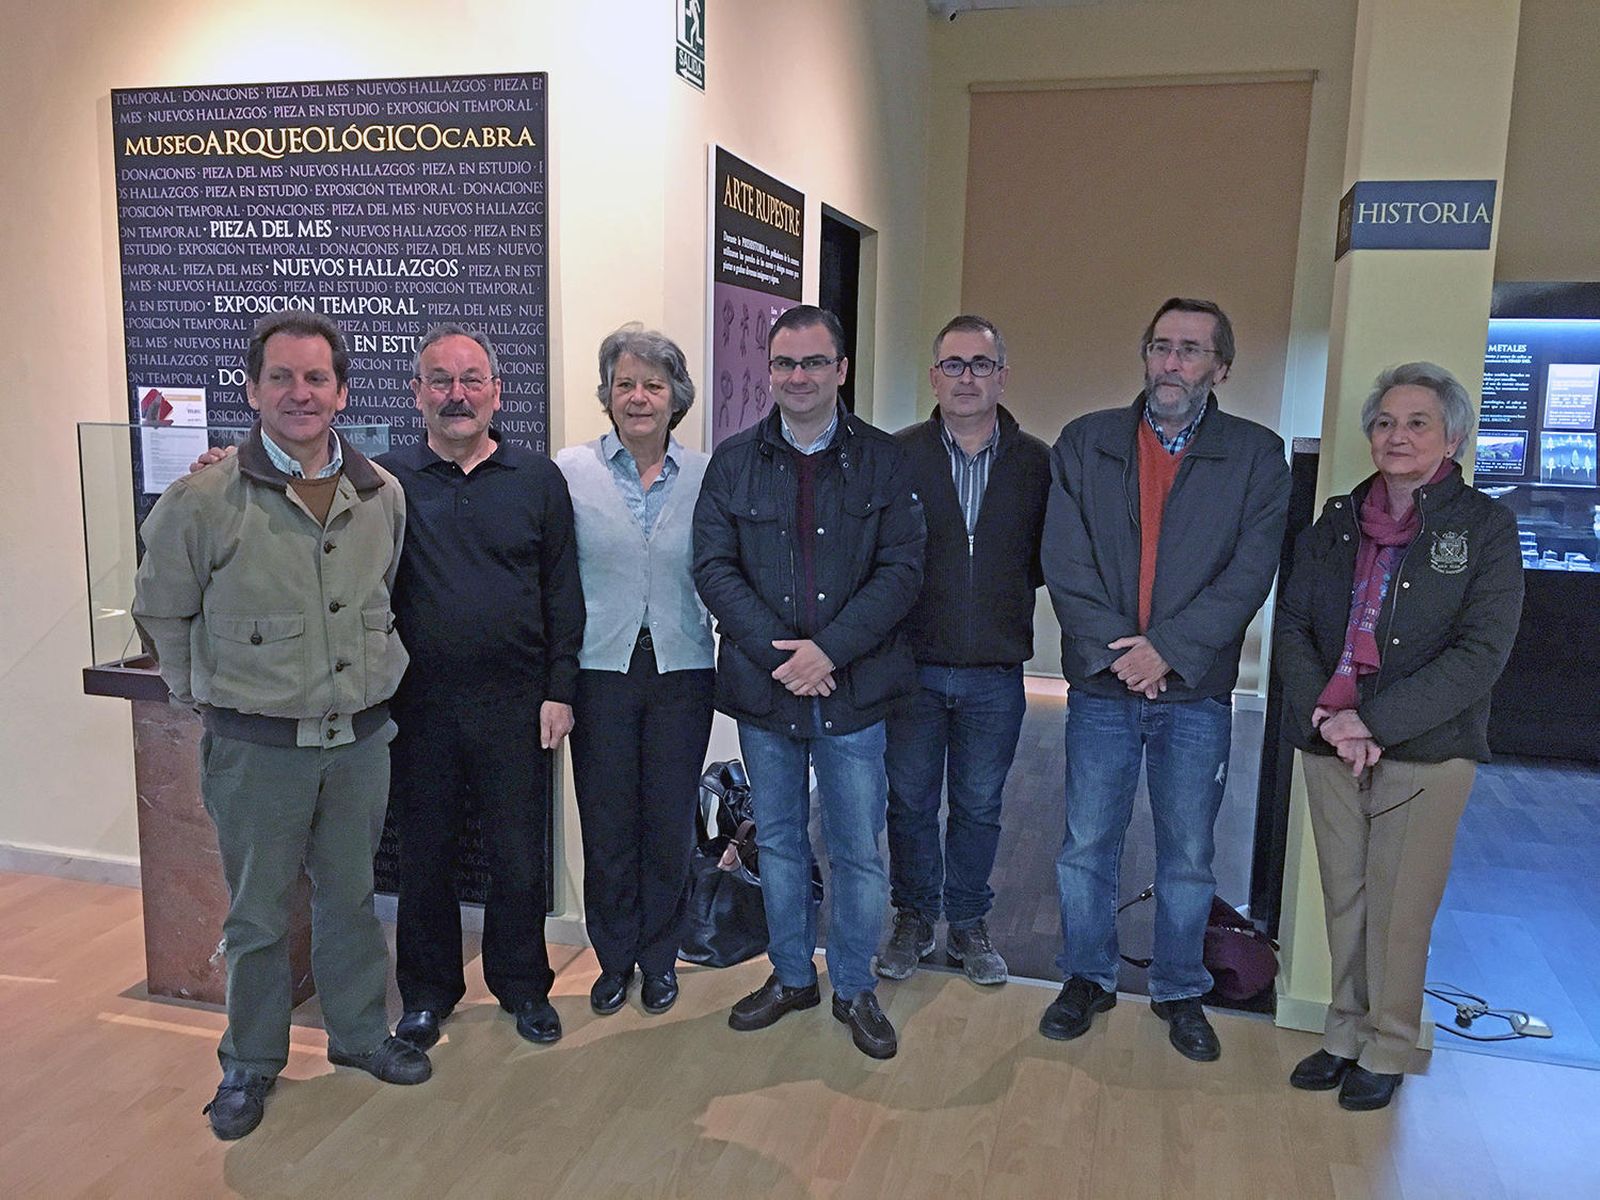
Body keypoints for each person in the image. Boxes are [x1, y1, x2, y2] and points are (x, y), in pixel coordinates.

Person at [133, 310, 430, 1141]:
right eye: (281, 378)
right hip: (257, 749)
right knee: (258, 913)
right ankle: (251, 1062)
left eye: (316, 379)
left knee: (351, 896)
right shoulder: (204, 498)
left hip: (360, 742)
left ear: (342, 391)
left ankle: (361, 1036)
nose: (299, 394)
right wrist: (207, 698)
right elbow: (165, 610)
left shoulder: (382, 495)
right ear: (253, 389)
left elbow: (384, 592)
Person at [1039, 297, 1290, 1061]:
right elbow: (1064, 558)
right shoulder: (1087, 442)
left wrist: (1168, 651)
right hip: (1104, 686)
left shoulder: (1255, 454)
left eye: (1190, 349)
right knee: (1087, 844)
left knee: (1187, 853)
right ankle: (1087, 976)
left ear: (1221, 367)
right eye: (1161, 346)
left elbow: (1251, 572)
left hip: (1195, 692)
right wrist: (1123, 653)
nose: (1171, 362)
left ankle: (1180, 989)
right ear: (1145, 355)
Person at [1275, 362, 1523, 1111]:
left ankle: (1388, 1043)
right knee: (1345, 899)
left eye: (1417, 422)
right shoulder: (1337, 520)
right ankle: (1343, 1032)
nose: (1397, 435)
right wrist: (1328, 714)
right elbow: (1292, 622)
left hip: (1425, 751)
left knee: (1399, 906)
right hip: (1329, 739)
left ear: (1452, 435)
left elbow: (1481, 653)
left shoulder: (1485, 528)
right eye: (1385, 422)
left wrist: (1373, 722)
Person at [693, 304, 925, 1059]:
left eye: (815, 363)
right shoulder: (732, 462)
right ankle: (792, 976)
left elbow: (902, 571)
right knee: (782, 841)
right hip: (766, 695)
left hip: (854, 693)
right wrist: (780, 655)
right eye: (786, 364)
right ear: (770, 371)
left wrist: (828, 652)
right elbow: (714, 568)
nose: (799, 377)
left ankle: (854, 987)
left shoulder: (887, 463)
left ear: (841, 371)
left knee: (859, 849)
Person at [385, 324, 584, 1052]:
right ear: (417, 395)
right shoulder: (386, 482)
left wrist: (561, 688)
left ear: (497, 393)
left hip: (518, 705)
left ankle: (524, 988)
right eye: (440, 380)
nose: (457, 394)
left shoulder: (537, 480)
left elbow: (564, 593)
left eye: (472, 380)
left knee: (517, 856)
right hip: (418, 708)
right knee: (425, 856)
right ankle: (428, 995)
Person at [878, 315, 1050, 986]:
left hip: (995, 672)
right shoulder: (899, 456)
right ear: (934, 376)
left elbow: (1041, 559)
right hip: (913, 667)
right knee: (911, 803)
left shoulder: (1036, 461)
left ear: (1002, 376)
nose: (967, 377)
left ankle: (969, 925)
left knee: (980, 805)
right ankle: (914, 919)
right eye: (954, 364)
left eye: (981, 364)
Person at [556, 326, 715, 1017]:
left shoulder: (708, 474)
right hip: (600, 672)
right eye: (625, 384)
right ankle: (613, 956)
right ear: (608, 395)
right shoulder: (570, 470)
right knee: (608, 821)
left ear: (675, 395)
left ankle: (660, 957)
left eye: (653, 384)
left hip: (683, 671)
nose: (639, 397)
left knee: (669, 822)